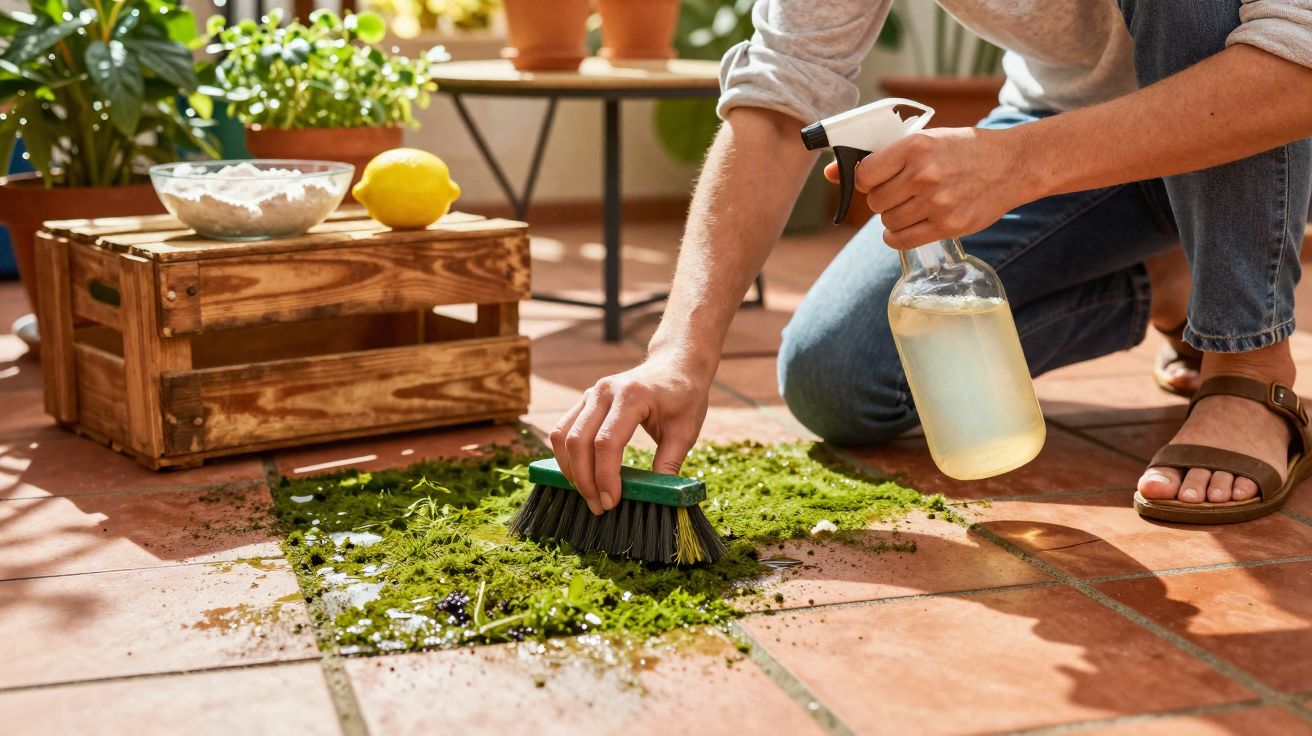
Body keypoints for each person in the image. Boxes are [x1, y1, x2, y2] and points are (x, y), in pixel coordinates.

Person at [551, 1, 1312, 523]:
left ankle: (1249, 364)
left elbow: (1297, 53)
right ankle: (1172, 280)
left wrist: (1017, 167)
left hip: (1271, 116)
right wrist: (679, 354)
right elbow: (783, 100)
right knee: (838, 376)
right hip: (1071, 134)